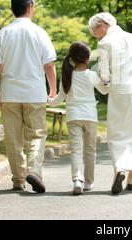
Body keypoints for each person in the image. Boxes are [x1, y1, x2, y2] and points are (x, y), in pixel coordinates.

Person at [0, 0, 57, 193]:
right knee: (36, 135)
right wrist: (52, 89)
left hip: (9, 94)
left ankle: (18, 179)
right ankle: (34, 170)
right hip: (34, 93)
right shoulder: (40, 32)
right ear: (29, 8)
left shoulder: (3, 34)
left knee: (13, 138)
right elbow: (50, 65)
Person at [88, 12, 132, 195]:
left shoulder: (104, 44)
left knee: (118, 134)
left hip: (120, 92)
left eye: (97, 32)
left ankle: (120, 169)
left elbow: (103, 76)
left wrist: (103, 85)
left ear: (103, 25)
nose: (97, 35)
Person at [48, 42, 108, 195]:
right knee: (90, 151)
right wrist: (108, 80)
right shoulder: (92, 75)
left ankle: (77, 180)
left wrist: (48, 100)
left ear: (73, 59)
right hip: (90, 117)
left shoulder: (67, 75)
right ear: (87, 59)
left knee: (76, 150)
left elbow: (59, 99)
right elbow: (105, 90)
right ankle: (88, 182)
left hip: (73, 117)